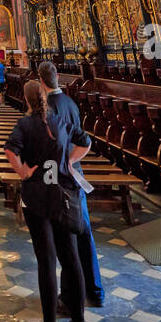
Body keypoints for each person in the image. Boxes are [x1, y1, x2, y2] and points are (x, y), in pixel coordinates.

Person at [5, 79, 89, 322]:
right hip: (62, 193)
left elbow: (10, 149)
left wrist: (23, 172)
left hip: (38, 196)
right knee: (71, 257)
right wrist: (69, 161)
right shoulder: (60, 121)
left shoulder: (25, 124)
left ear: (27, 100)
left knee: (46, 262)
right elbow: (85, 141)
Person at [38, 61, 105, 307]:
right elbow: (83, 139)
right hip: (75, 175)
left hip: (61, 178)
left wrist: (64, 163)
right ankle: (95, 290)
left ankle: (69, 296)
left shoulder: (49, 108)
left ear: (42, 82)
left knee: (65, 239)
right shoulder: (69, 102)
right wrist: (72, 161)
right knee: (84, 233)